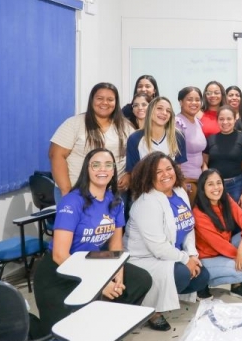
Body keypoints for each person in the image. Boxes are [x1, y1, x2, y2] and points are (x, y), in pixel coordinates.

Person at [34, 148, 152, 330]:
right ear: (87, 170)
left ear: (113, 171)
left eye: (107, 165)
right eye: (95, 165)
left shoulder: (115, 201)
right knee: (59, 333)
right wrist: (99, 285)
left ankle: (106, 326)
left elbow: (115, 244)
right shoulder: (72, 202)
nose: (101, 169)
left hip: (93, 263)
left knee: (140, 280)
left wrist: (117, 272)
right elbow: (59, 255)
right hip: (59, 271)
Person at [125, 152, 210, 331]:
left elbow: (188, 226)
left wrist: (192, 254)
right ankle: (151, 309)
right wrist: (186, 260)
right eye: (158, 171)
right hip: (145, 259)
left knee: (202, 276)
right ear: (148, 175)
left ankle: (166, 293)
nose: (166, 174)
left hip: (171, 254)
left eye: (169, 168)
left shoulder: (180, 192)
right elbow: (158, 248)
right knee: (181, 273)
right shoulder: (146, 202)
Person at [50, 83, 134, 199]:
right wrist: (67, 191)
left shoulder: (126, 127)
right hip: (76, 192)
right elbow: (56, 155)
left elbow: (135, 158)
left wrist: (129, 175)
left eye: (110, 99)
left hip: (113, 195)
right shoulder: (74, 123)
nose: (105, 103)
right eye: (100, 98)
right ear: (91, 100)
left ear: (116, 102)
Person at [193, 169, 242, 300]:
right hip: (207, 259)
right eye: (210, 184)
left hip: (223, 252)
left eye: (219, 183)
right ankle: (202, 283)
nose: (216, 187)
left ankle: (237, 286)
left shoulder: (225, 200)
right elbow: (221, 246)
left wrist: (241, 248)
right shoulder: (199, 213)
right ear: (202, 188)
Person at [203, 106, 242, 207]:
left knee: (237, 219)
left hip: (236, 185)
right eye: (221, 119)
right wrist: (207, 179)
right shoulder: (210, 139)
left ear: (235, 119)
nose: (225, 122)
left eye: (229, 119)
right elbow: (204, 162)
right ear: (217, 120)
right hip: (214, 186)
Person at [126, 97, 187, 174]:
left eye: (168, 111)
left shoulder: (178, 136)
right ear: (150, 111)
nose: (164, 113)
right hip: (144, 184)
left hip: (170, 183)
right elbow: (134, 171)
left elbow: (177, 169)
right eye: (159, 108)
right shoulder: (135, 138)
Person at [176, 87, 207, 204]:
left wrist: (204, 168)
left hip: (199, 179)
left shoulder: (198, 122)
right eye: (189, 99)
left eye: (197, 100)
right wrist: (180, 182)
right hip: (186, 181)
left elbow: (199, 151)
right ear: (180, 102)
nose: (194, 103)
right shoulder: (178, 123)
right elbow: (175, 156)